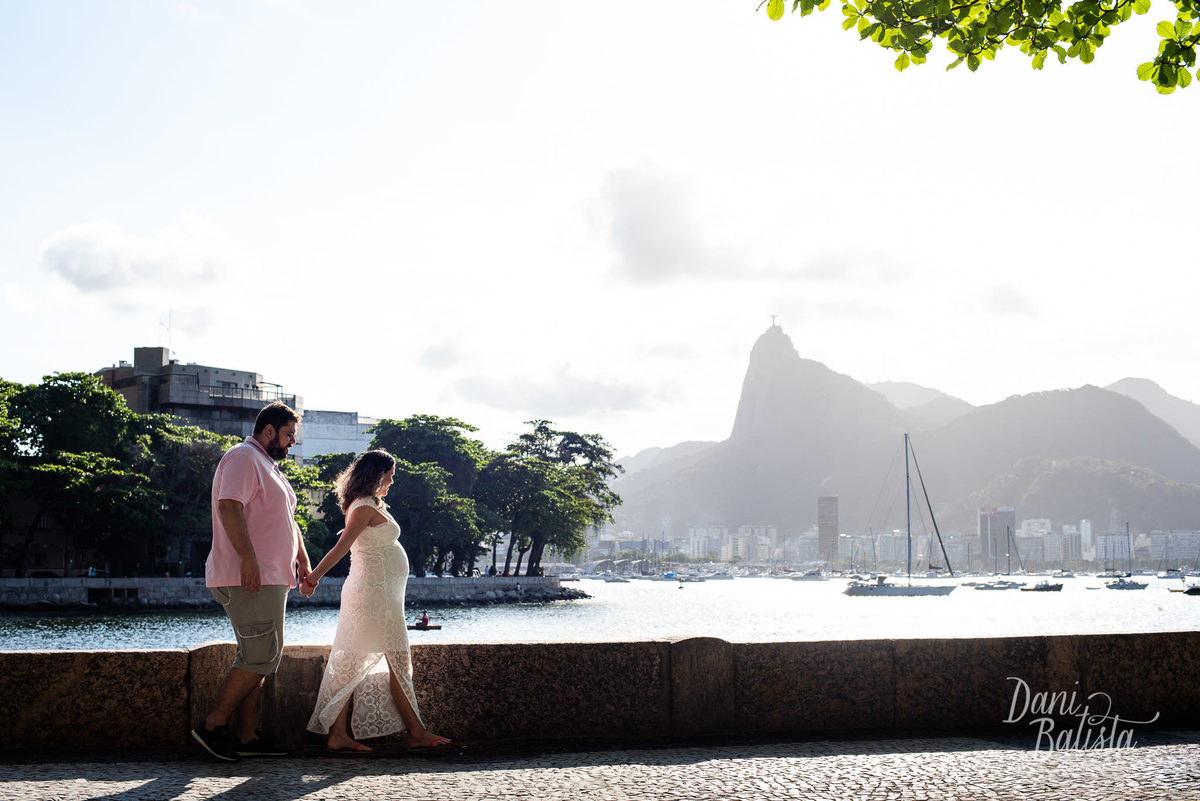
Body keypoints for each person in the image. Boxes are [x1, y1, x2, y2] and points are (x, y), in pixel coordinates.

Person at [301, 448, 451, 754]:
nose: (392, 480)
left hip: (381, 594)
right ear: (376, 474)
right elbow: (342, 547)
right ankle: (414, 732)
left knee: (363, 660)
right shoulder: (364, 506)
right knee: (380, 660)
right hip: (372, 593)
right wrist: (313, 578)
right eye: (390, 475)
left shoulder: (368, 504)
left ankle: (342, 734)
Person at [190, 401, 309, 762]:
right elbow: (229, 506)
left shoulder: (268, 465)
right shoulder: (243, 456)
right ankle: (211, 727)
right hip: (249, 576)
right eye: (288, 435)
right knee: (262, 655)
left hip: (270, 575)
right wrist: (249, 559)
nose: (292, 443)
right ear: (269, 430)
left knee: (258, 655)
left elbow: (287, 519)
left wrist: (301, 558)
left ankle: (247, 736)